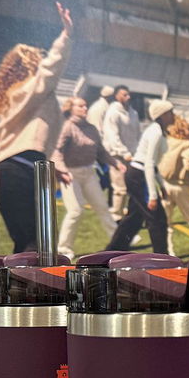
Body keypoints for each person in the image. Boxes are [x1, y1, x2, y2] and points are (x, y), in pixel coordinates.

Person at [0, 1, 73, 252]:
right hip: (19, 172)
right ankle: (25, 289)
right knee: (37, 247)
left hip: (3, 172)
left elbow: (31, 139)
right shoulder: (31, 89)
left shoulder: (15, 95)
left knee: (28, 244)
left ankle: (19, 287)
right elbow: (49, 71)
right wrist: (66, 36)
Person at [52, 96, 123, 260]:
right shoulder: (66, 127)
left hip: (89, 173)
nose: (85, 108)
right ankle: (64, 249)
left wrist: (115, 163)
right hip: (70, 174)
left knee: (102, 207)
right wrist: (62, 171)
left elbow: (101, 151)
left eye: (86, 105)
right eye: (80, 106)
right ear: (71, 108)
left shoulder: (91, 128)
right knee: (76, 211)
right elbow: (56, 151)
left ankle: (118, 242)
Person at [106, 99, 173, 255]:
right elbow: (148, 163)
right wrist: (153, 196)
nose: (173, 115)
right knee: (157, 219)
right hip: (139, 175)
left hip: (138, 174)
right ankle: (162, 258)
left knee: (134, 219)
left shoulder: (157, 130)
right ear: (162, 115)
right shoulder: (156, 132)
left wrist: (161, 185)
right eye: (170, 112)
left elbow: (152, 165)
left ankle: (111, 252)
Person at [158, 115, 189, 256]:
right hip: (183, 186)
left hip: (165, 185)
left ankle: (168, 253)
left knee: (165, 223)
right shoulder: (185, 144)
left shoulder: (166, 141)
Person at [102, 85, 139, 219]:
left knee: (131, 187)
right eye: (124, 95)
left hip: (132, 154)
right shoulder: (113, 112)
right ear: (116, 96)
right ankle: (116, 216)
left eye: (128, 95)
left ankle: (126, 212)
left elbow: (137, 134)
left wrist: (137, 151)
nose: (127, 97)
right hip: (117, 155)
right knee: (120, 188)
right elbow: (112, 136)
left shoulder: (133, 113)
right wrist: (124, 152)